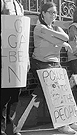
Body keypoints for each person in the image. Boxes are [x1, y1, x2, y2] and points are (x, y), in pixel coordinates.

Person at [30, 2, 77, 134]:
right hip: (41, 62)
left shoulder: (56, 28)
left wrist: (62, 39)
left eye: (55, 13)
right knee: (55, 92)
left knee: (65, 90)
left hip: (55, 63)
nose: (54, 15)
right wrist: (62, 42)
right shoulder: (39, 28)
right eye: (50, 12)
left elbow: (66, 37)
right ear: (43, 13)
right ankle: (62, 124)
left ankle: (70, 120)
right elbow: (58, 40)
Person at [1, 0, 28, 135]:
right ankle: (1, 129)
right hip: (5, 53)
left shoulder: (19, 5)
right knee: (3, 95)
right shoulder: (3, 3)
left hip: (17, 56)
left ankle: (11, 128)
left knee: (15, 95)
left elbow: (23, 33)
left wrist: (26, 58)